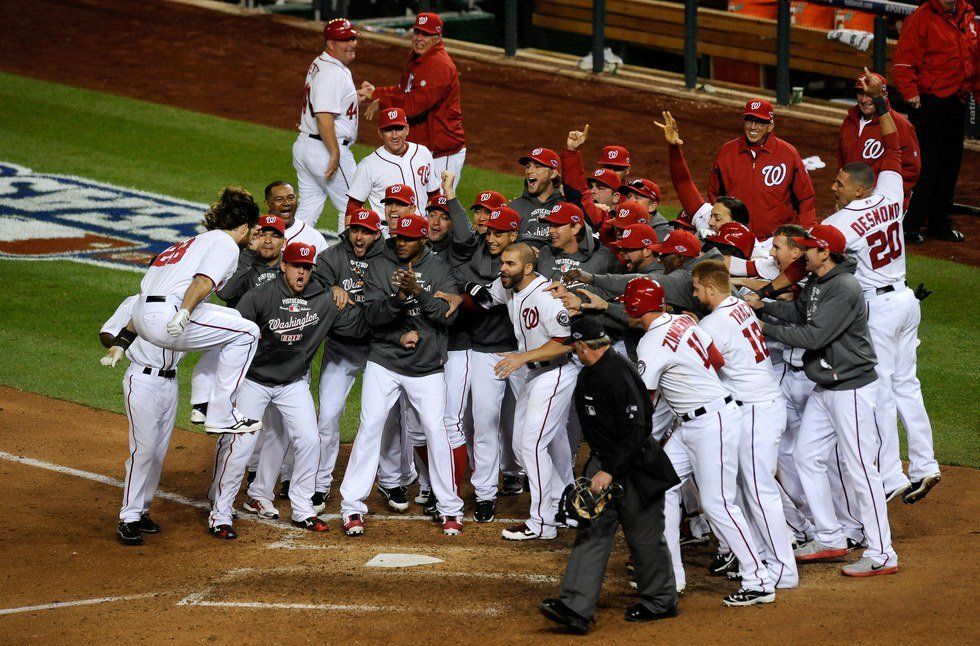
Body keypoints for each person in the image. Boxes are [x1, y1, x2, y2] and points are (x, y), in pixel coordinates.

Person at [747, 224, 899, 577]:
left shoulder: (844, 288)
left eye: (808, 248)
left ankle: (882, 553)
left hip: (852, 389)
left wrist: (762, 327)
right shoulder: (817, 281)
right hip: (826, 386)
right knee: (806, 456)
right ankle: (830, 536)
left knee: (860, 469)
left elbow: (813, 336)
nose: (802, 253)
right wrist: (763, 306)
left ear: (825, 252)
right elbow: (800, 313)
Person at [822, 69, 940, 504]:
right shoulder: (890, 191)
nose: (833, 187)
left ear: (856, 189)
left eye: (839, 183)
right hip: (906, 300)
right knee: (908, 384)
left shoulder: (842, 222)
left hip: (879, 310)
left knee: (882, 389)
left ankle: (892, 474)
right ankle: (925, 464)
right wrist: (884, 102)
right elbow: (893, 148)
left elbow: (808, 256)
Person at [627, 277, 776, 606]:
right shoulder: (683, 320)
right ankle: (671, 575)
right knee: (662, 487)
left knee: (717, 503)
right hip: (692, 422)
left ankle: (759, 579)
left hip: (712, 422)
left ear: (634, 308)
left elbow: (645, 398)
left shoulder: (650, 343)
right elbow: (716, 360)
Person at [207, 242, 367, 539]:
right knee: (240, 447)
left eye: (306, 268)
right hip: (254, 381)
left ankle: (303, 508)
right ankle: (221, 512)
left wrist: (379, 307)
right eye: (296, 266)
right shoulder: (260, 296)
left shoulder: (324, 299)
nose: (301, 273)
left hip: (292, 384)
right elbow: (231, 337)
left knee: (310, 440)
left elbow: (358, 326)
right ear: (284, 266)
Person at [540, 317, 679, 634]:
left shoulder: (618, 373)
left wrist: (609, 470)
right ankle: (575, 607)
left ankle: (661, 601)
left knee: (643, 538)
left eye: (575, 347)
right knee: (592, 529)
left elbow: (637, 429)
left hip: (637, 467)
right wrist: (597, 468)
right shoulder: (591, 372)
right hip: (606, 464)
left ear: (582, 346)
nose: (573, 351)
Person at [339, 212, 467, 537]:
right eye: (399, 238)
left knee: (436, 431)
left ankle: (450, 507)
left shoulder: (439, 269)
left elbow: (448, 317)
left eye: (409, 239)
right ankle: (351, 506)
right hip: (385, 361)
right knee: (370, 427)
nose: (402, 243)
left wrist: (418, 292)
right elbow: (371, 315)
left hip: (426, 366)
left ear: (423, 239)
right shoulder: (380, 266)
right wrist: (398, 298)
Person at [101, 186, 261, 435]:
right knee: (249, 333)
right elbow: (203, 281)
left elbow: (149, 298)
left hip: (142, 316)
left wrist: (122, 343)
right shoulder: (226, 244)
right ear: (243, 227)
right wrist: (184, 313)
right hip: (169, 317)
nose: (254, 234)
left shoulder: (189, 244)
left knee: (233, 318)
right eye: (253, 229)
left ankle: (203, 403)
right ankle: (222, 414)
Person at [692, 260, 798, 590]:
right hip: (760, 403)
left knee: (759, 490)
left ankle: (784, 568)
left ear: (711, 289)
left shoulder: (713, 323)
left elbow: (705, 369)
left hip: (756, 410)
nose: (694, 294)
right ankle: (764, 555)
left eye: (697, 289)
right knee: (748, 486)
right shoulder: (739, 305)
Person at [469, 243, 579, 540]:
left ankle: (543, 522)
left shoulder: (545, 297)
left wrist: (521, 357)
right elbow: (485, 296)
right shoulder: (510, 286)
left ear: (528, 268)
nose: (502, 269)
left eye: (510, 264)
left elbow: (565, 342)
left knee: (531, 446)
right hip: (534, 374)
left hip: (555, 373)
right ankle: (562, 505)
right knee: (520, 446)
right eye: (502, 263)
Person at [454, 206, 527, 520]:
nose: (492, 238)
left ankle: (527, 478)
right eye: (490, 232)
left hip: (524, 355)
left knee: (525, 425)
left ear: (514, 235)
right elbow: (483, 300)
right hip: (485, 353)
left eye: (500, 233)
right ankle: (485, 493)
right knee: (484, 422)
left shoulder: (529, 263)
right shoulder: (475, 260)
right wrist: (467, 292)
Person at [100, 296, 184, 546]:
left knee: (158, 453)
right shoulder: (136, 302)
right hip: (142, 380)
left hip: (171, 383)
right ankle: (128, 518)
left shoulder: (186, 306)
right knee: (143, 450)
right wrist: (119, 346)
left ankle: (142, 510)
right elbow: (107, 332)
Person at [893, 0, 977, 243]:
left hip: (957, 100)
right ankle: (910, 224)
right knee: (925, 166)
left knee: (950, 164)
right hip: (928, 102)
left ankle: (939, 222)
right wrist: (910, 93)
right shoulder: (921, 17)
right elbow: (903, 61)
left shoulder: (967, 14)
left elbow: (974, 58)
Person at [362, 12, 466, 190]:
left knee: (439, 205)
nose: (419, 38)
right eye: (417, 32)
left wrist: (382, 101)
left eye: (425, 34)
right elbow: (404, 90)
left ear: (438, 37)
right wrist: (376, 92)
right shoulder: (419, 58)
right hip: (426, 149)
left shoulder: (439, 65)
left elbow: (412, 106)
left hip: (443, 153)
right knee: (415, 203)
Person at [292, 19, 369, 230]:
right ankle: (348, 252)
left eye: (352, 38)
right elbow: (323, 115)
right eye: (345, 40)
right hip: (326, 149)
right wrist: (334, 152)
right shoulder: (332, 73)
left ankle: (291, 247)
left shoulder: (321, 63)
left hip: (306, 146)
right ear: (330, 44)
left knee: (307, 211)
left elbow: (328, 101)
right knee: (352, 207)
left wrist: (353, 98)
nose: (351, 44)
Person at [707, 100, 816, 241]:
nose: (753, 127)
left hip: (775, 241)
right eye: (749, 121)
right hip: (735, 238)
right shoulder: (726, 152)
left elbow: (805, 198)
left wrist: (803, 235)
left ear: (770, 126)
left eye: (759, 122)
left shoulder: (788, 154)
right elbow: (714, 194)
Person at [837, 72, 920, 211]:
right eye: (860, 94)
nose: (864, 100)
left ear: (884, 95)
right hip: (852, 200)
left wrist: (884, 197)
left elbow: (911, 170)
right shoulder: (849, 121)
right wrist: (842, 197)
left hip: (881, 204)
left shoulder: (900, 125)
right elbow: (842, 162)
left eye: (869, 94)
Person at [345, 107, 440, 221]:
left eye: (399, 129)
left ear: (407, 130)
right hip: (387, 229)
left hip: (421, 227)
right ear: (380, 133)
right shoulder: (368, 165)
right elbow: (353, 206)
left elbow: (434, 194)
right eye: (389, 130)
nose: (395, 135)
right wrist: (349, 232)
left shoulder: (423, 153)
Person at [510, 147, 565, 246]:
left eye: (537, 166)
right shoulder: (514, 208)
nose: (529, 171)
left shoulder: (566, 206)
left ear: (553, 174)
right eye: (528, 166)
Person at [264, 180, 329, 255]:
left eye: (291, 198)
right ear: (267, 204)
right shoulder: (257, 233)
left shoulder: (314, 237)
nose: (286, 203)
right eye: (279, 199)